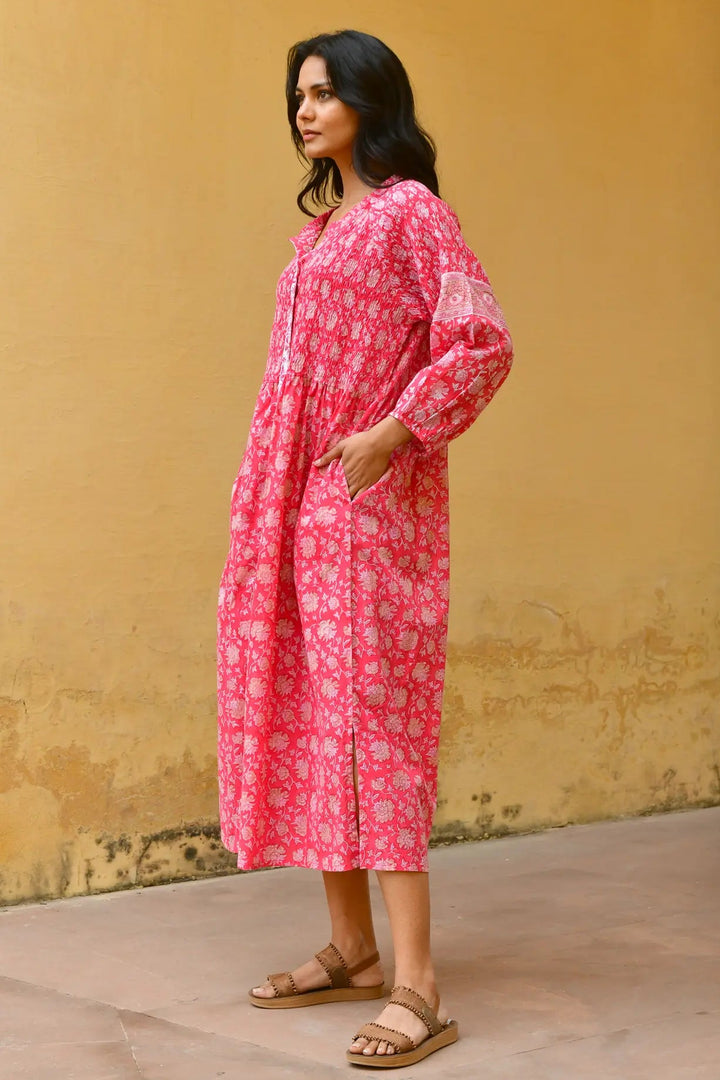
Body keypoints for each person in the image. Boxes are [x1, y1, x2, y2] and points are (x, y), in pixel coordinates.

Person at [217, 28, 513, 1068]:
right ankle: (349, 946)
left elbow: (481, 340)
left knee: (374, 728)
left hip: (369, 506)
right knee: (309, 714)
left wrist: (395, 433)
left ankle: (417, 983)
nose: (305, 110)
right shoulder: (321, 235)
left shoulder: (410, 215)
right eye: (297, 94)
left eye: (324, 92)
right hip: (292, 505)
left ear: (367, 101)